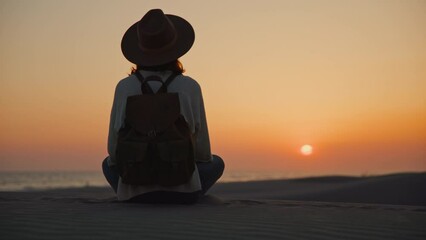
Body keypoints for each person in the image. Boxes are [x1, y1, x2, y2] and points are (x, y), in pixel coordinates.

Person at [102, 9, 224, 204]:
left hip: (135, 191)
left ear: (140, 51)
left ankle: (132, 192)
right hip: (183, 191)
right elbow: (202, 151)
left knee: (106, 165)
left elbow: (114, 151)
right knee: (217, 163)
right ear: (175, 49)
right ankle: (189, 191)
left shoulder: (124, 87)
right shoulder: (190, 87)